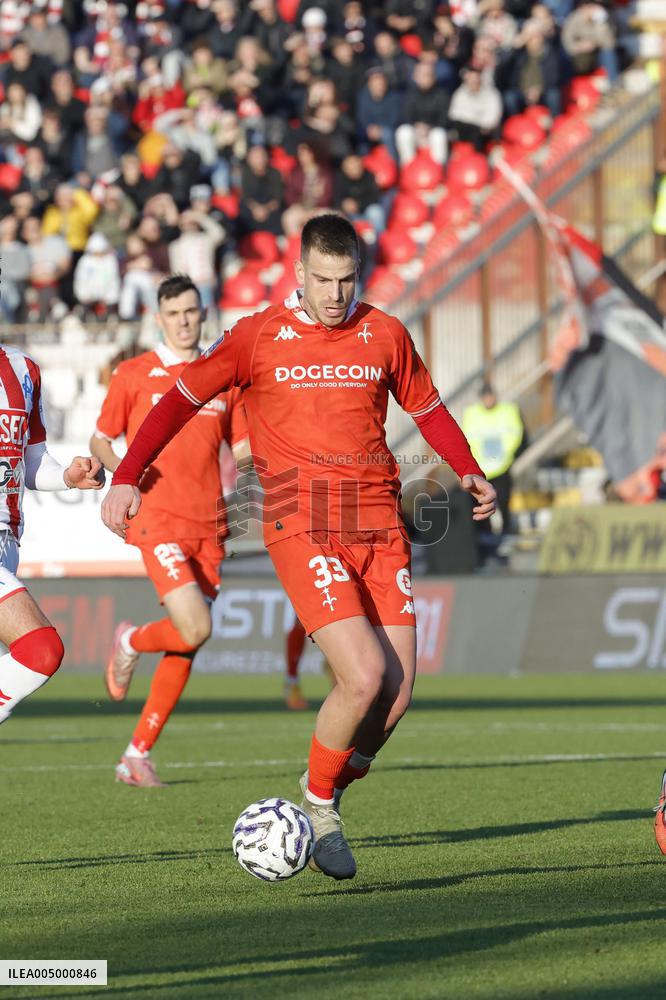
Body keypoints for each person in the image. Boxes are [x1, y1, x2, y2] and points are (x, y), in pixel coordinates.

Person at [101, 214, 495, 877]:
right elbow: (175, 404)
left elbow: (427, 409)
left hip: (379, 524)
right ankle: (319, 808)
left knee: (395, 698)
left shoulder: (385, 333)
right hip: (301, 522)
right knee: (364, 676)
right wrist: (124, 477)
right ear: (299, 272)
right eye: (324, 280)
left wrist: (468, 467)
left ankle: (328, 788)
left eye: (347, 280)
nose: (337, 294)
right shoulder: (257, 336)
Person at [90, 274, 249, 788]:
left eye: (192, 311)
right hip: (156, 518)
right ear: (159, 318)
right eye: (174, 313)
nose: (184, 321)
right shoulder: (134, 374)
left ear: (203, 315)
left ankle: (136, 755)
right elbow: (100, 439)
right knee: (196, 626)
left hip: (211, 524)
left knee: (187, 641)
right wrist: (126, 476)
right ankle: (131, 639)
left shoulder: (221, 377)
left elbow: (244, 450)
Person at [0, 345, 104, 727]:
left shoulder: (24, 369)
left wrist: (67, 477)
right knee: (39, 650)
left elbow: (32, 460)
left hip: (8, 541)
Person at [462, 382, 526, 535]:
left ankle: (506, 531)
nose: (489, 400)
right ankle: (486, 535)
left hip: (501, 466)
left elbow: (518, 435)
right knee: (483, 505)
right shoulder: (472, 414)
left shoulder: (508, 410)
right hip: (481, 470)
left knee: (503, 502)